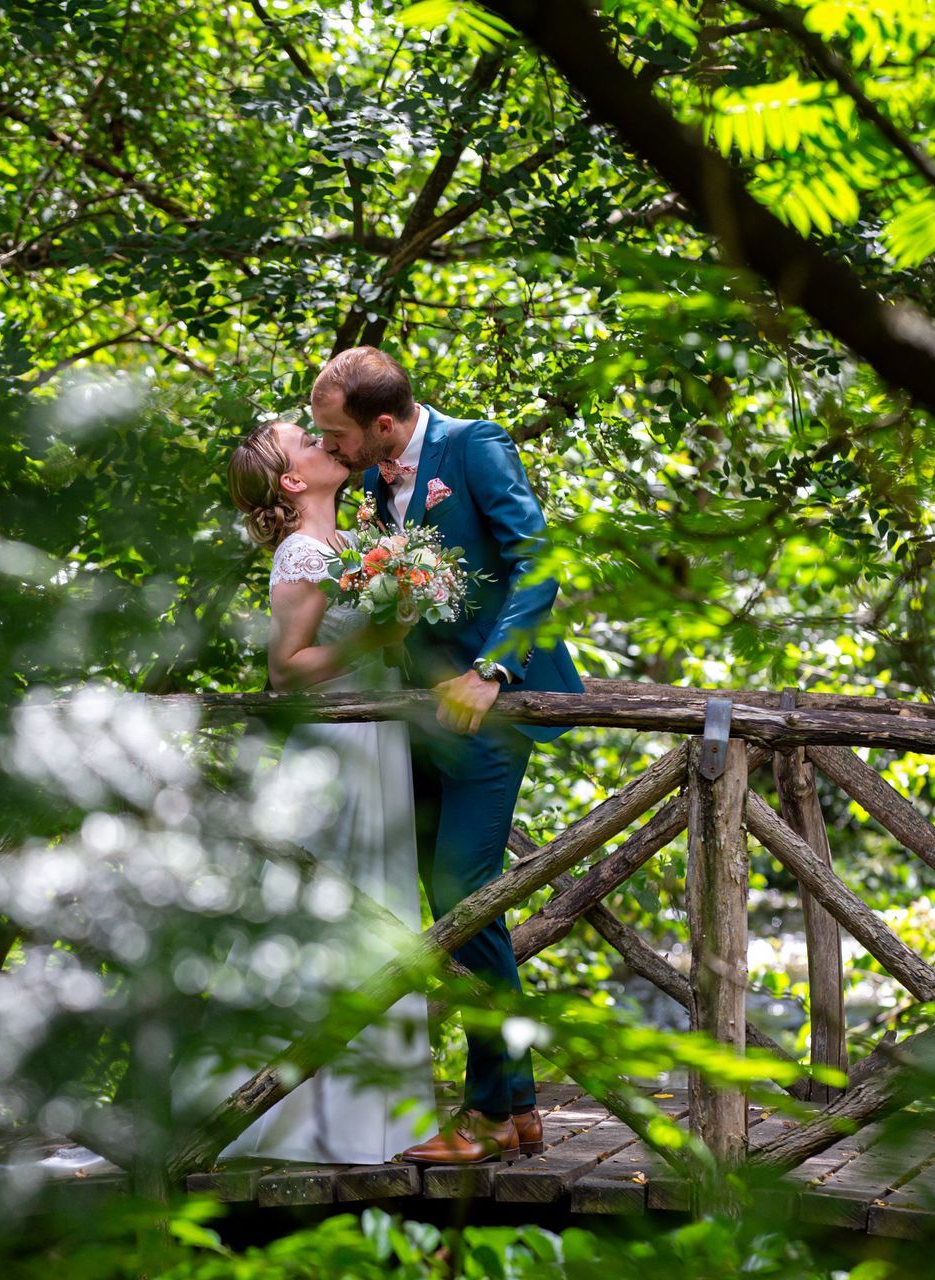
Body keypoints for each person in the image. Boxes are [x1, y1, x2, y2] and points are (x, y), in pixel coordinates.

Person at [309, 346, 583, 1165]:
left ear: (384, 424)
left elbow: (539, 563)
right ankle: (519, 1106)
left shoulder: (474, 447)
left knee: (462, 892)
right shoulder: (364, 482)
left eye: (336, 434)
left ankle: (491, 1115)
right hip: (415, 719)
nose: (329, 448)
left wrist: (494, 670)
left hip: (491, 712)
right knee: (458, 907)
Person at [178, 418, 435, 1165]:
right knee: (333, 914)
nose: (329, 445)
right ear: (294, 481)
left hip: (372, 736)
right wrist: (374, 639)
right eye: (310, 443)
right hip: (335, 750)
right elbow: (286, 669)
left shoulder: (349, 541)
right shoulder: (303, 551)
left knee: (373, 914)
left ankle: (376, 1118)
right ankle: (292, 1122)